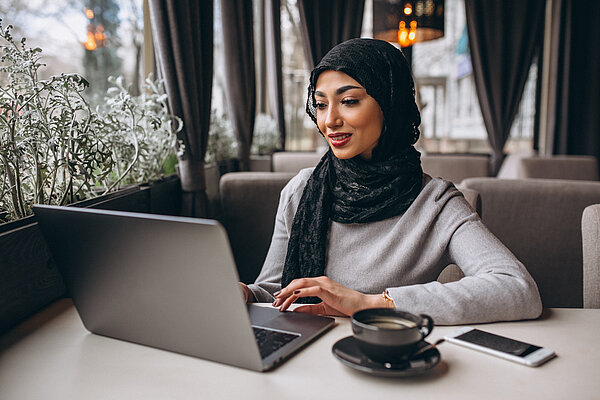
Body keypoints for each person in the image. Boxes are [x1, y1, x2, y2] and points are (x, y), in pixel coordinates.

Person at [239, 38, 542, 325]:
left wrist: (368, 304)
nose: (329, 119)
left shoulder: (436, 202)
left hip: (386, 361)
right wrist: (247, 293)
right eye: (320, 105)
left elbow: (517, 288)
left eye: (348, 100)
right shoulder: (301, 191)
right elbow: (275, 292)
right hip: (304, 359)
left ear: (390, 105)